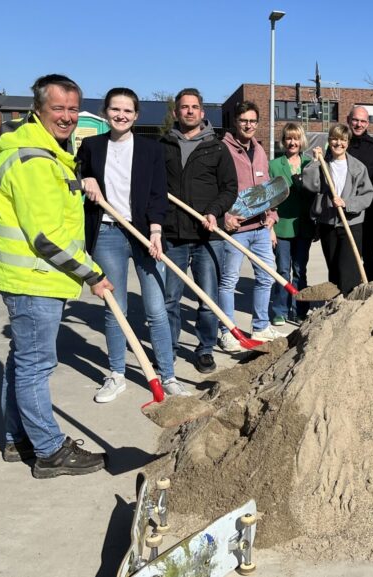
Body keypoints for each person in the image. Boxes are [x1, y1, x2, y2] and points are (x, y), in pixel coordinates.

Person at [0, 74, 113, 478]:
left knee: (22, 361)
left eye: (72, 109)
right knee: (35, 366)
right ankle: (49, 451)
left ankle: (18, 439)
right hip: (33, 278)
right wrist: (92, 274)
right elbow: (46, 238)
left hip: (28, 277)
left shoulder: (46, 152)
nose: (66, 117)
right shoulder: (33, 159)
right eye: (58, 109)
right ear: (38, 110)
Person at [77, 88, 189, 401]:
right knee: (117, 309)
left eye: (128, 111)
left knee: (156, 309)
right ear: (106, 112)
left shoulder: (150, 149)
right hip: (108, 234)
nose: (121, 115)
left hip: (144, 234)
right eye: (116, 109)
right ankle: (117, 374)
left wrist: (155, 231)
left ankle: (167, 375)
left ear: (136, 115)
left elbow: (158, 193)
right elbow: (74, 172)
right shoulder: (91, 146)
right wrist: (85, 178)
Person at [160, 88, 237, 374]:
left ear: (203, 112)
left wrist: (214, 211)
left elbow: (230, 187)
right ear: (176, 112)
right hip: (173, 235)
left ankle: (205, 349)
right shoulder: (163, 145)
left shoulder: (217, 147)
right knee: (170, 299)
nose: (189, 111)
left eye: (194, 107)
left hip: (207, 236)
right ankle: (168, 348)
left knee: (207, 299)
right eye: (184, 107)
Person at [217, 101, 280, 351]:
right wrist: (224, 216)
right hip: (235, 229)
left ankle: (261, 325)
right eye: (244, 120)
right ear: (236, 121)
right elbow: (214, 188)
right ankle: (227, 331)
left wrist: (272, 218)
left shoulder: (261, 151)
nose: (248, 125)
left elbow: (267, 191)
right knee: (228, 282)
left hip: (260, 229)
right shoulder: (223, 149)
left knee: (266, 277)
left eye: (253, 121)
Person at [304, 123, 373, 294]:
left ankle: (348, 304)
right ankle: (336, 303)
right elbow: (310, 185)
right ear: (329, 141)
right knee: (334, 268)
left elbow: (367, 195)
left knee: (348, 270)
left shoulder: (358, 167)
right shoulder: (323, 164)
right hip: (328, 224)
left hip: (351, 224)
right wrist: (315, 162)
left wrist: (347, 203)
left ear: (348, 142)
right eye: (334, 139)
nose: (338, 143)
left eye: (342, 140)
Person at [269, 122, 314, 324]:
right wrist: (269, 227)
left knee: (300, 269)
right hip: (282, 225)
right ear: (284, 141)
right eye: (289, 138)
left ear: (301, 140)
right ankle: (280, 309)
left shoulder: (310, 163)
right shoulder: (274, 165)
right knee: (282, 270)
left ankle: (300, 308)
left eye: (296, 138)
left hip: (303, 225)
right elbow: (269, 199)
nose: (292, 142)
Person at [345, 106, 373, 281]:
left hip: (368, 215)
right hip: (344, 214)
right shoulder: (339, 144)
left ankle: (372, 294)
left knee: (369, 257)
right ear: (348, 120)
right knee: (347, 258)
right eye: (355, 120)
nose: (359, 124)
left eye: (363, 121)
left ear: (368, 123)